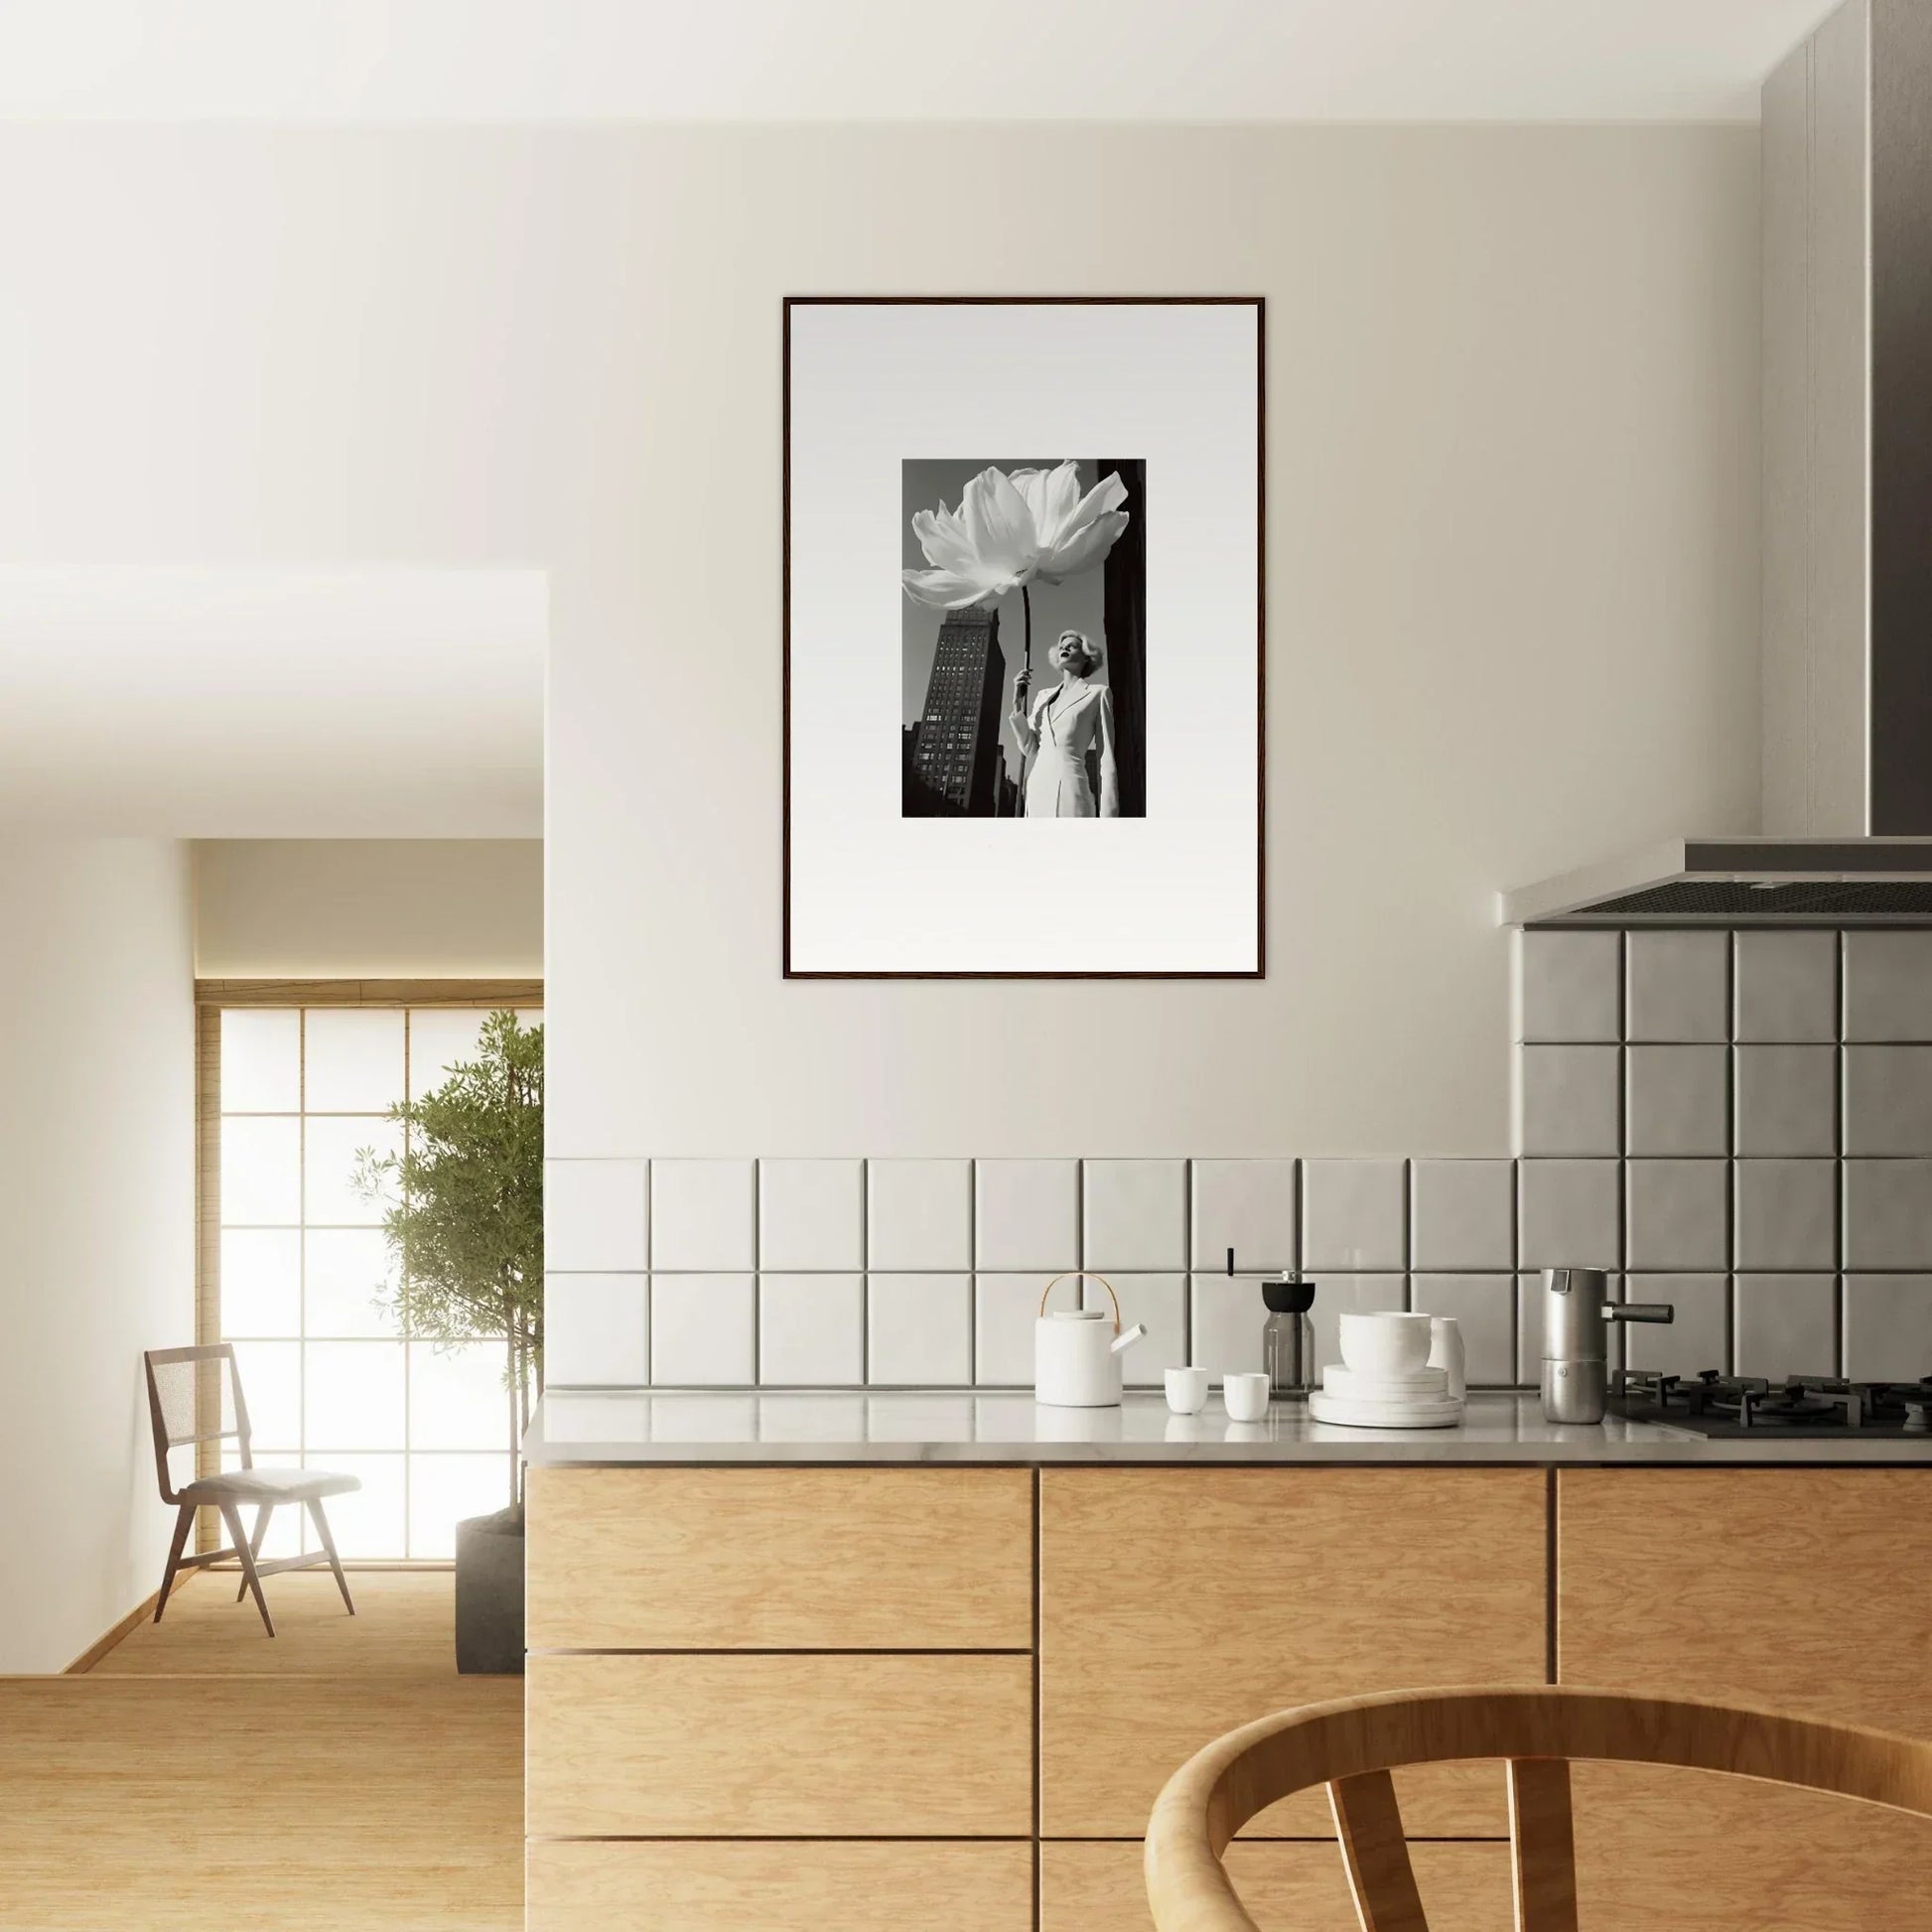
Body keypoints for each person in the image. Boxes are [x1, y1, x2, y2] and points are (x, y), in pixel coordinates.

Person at [1010, 629, 1120, 818]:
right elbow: (1030, 749)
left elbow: (1106, 759)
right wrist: (1017, 704)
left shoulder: (1098, 693)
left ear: (1086, 657)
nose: (1065, 648)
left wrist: (1109, 817)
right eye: (1062, 646)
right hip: (1037, 789)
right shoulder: (1043, 696)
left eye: (1072, 646)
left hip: (1072, 791)